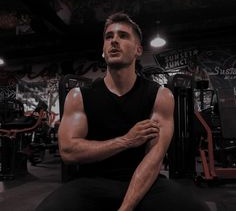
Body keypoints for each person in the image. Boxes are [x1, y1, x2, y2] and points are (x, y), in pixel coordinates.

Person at [36, 12, 209, 211]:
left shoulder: (160, 96)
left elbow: (154, 160)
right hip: (90, 182)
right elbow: (68, 152)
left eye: (123, 36)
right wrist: (126, 140)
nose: (114, 41)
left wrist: (125, 209)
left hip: (144, 180)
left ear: (138, 50)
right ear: (103, 50)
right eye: (109, 37)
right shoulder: (79, 96)